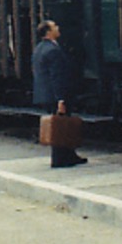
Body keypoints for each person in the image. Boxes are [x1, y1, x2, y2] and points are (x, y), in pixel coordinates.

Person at [32, 19, 86, 169]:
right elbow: (57, 77)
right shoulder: (53, 51)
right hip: (55, 94)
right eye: (55, 26)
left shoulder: (39, 49)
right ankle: (60, 159)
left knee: (62, 125)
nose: (58, 27)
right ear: (48, 32)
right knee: (60, 126)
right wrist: (60, 99)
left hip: (46, 94)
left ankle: (69, 155)